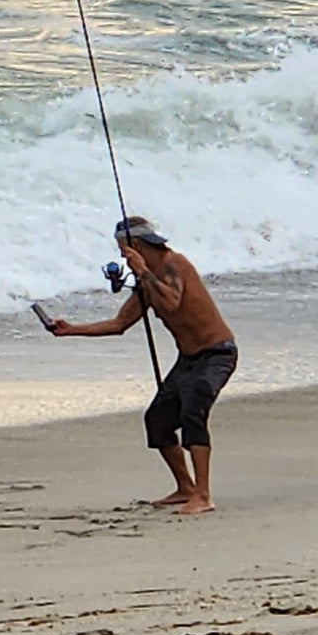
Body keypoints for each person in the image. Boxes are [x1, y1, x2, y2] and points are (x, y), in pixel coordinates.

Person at [51, 216, 237, 515]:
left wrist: (142, 270)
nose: (122, 256)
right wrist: (70, 329)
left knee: (192, 411)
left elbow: (173, 300)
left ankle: (203, 495)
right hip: (188, 359)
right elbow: (119, 324)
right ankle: (185, 487)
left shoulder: (175, 264)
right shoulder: (147, 281)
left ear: (135, 245)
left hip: (217, 354)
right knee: (158, 420)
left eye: (123, 250)